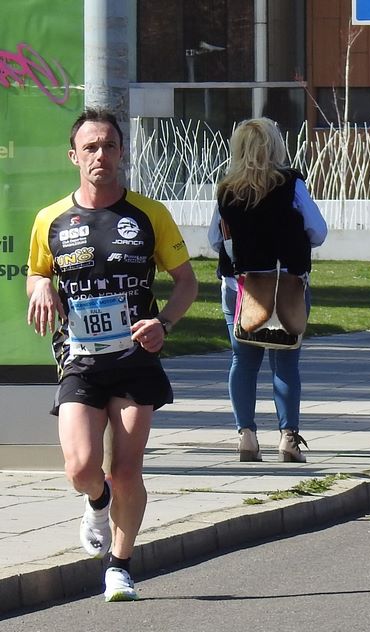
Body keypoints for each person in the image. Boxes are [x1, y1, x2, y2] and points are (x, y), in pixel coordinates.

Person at [25, 108, 197, 602]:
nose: (101, 155)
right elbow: (38, 272)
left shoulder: (148, 215)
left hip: (134, 358)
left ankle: (120, 566)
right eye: (92, 147)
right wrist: (39, 288)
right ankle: (96, 503)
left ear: (122, 152)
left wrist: (162, 323)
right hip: (80, 357)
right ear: (74, 155)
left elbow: (186, 281)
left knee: (126, 469)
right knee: (81, 467)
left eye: (110, 146)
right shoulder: (50, 219)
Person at [208, 118, 327, 463]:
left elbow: (215, 238)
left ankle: (246, 435)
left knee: (242, 361)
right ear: (275, 146)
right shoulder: (291, 184)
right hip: (287, 284)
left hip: (241, 288)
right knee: (286, 363)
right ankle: (288, 437)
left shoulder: (227, 190)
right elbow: (318, 231)